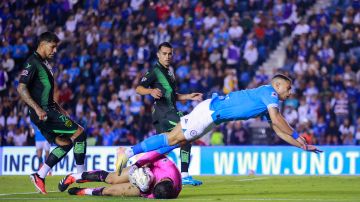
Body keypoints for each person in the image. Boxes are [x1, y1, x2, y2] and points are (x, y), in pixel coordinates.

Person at [115, 74, 322, 174]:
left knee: (176, 142)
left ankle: (135, 162)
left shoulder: (266, 99)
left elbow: (278, 129)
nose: (290, 92)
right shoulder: (270, 93)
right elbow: (279, 121)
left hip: (212, 115)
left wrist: (302, 145)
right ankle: (129, 152)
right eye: (288, 88)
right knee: (173, 138)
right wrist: (297, 136)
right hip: (211, 112)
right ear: (277, 85)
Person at [17, 32, 87, 194]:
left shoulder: (45, 63)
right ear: (42, 44)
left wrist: (60, 109)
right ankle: (81, 175)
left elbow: (44, 92)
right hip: (44, 112)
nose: (55, 50)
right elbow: (21, 87)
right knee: (80, 134)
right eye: (53, 46)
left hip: (49, 110)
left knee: (66, 143)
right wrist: (37, 108)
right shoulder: (32, 62)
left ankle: (39, 175)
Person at [135, 42, 203, 186]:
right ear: (158, 55)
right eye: (164, 54)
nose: (167, 56)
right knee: (187, 133)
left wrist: (189, 96)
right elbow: (139, 88)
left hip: (164, 113)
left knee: (163, 148)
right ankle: (184, 175)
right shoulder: (155, 71)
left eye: (169, 54)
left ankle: (139, 169)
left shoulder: (169, 72)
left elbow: (173, 96)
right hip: (164, 112)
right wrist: (150, 91)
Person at [58, 150, 182, 199]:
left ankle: (84, 191)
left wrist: (144, 191)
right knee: (111, 179)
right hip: (143, 170)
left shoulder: (167, 194)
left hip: (144, 186)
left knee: (110, 191)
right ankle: (74, 177)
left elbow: (150, 195)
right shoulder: (170, 168)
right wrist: (139, 165)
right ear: (161, 181)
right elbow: (155, 154)